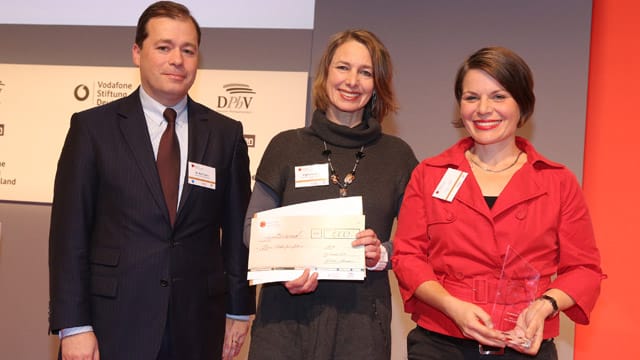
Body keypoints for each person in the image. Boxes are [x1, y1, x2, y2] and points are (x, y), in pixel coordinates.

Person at [48, 2, 254, 359]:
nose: (178, 59)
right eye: (164, 47)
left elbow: (237, 235)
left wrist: (238, 310)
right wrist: (74, 326)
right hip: (113, 321)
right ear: (137, 53)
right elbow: (69, 236)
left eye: (188, 50)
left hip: (199, 324)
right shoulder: (92, 129)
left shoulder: (225, 134)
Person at [392, 46, 604, 359]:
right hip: (441, 344)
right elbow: (408, 257)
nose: (483, 109)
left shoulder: (558, 181)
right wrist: (453, 307)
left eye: (499, 96)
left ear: (522, 103)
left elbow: (585, 269)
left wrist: (545, 306)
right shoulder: (430, 175)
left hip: (524, 346)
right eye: (471, 97)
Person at [244, 29, 418, 360]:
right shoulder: (285, 146)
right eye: (343, 67)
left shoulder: (397, 156)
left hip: (362, 325)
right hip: (285, 320)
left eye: (365, 72)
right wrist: (284, 269)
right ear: (326, 73)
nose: (352, 81)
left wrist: (382, 253)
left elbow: (420, 242)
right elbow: (252, 228)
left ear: (377, 84)